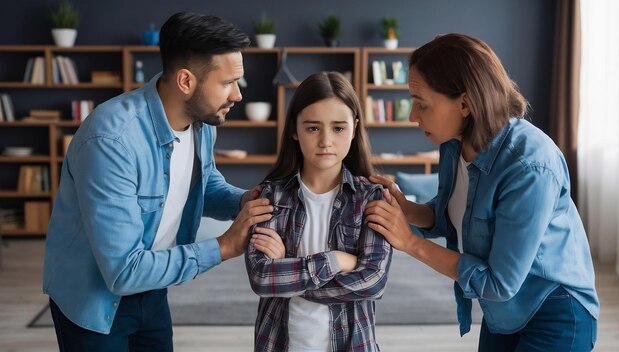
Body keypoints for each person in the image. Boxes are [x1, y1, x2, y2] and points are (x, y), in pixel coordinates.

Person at [42, 12, 274, 352]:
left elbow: (202, 184)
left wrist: (247, 202)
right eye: (227, 83)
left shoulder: (202, 122)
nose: (237, 95)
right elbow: (123, 271)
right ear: (185, 81)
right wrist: (224, 247)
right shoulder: (111, 141)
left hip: (151, 287)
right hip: (94, 299)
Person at [364, 33, 599, 351]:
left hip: (555, 310)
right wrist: (404, 208)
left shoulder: (530, 165)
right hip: (504, 310)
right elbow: (452, 215)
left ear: (464, 103)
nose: (412, 117)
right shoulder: (454, 144)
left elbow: (499, 282)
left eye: (422, 104)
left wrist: (411, 244)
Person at [245, 72, 393, 352]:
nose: (326, 140)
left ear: (354, 128)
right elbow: (262, 277)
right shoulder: (270, 196)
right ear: (294, 130)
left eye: (338, 128)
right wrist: (337, 260)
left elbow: (373, 281)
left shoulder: (372, 197)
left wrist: (288, 271)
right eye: (313, 128)